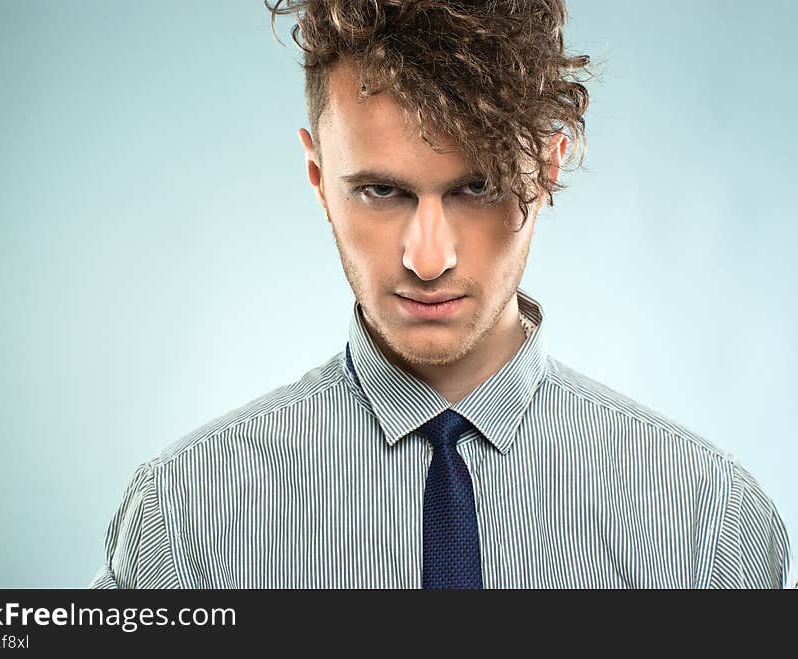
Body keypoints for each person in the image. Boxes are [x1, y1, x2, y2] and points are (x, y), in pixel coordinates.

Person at [89, 0, 790, 589]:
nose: (429, 258)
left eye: (477, 187)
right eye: (381, 190)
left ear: (547, 170)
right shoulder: (182, 521)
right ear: (317, 174)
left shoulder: (709, 525)